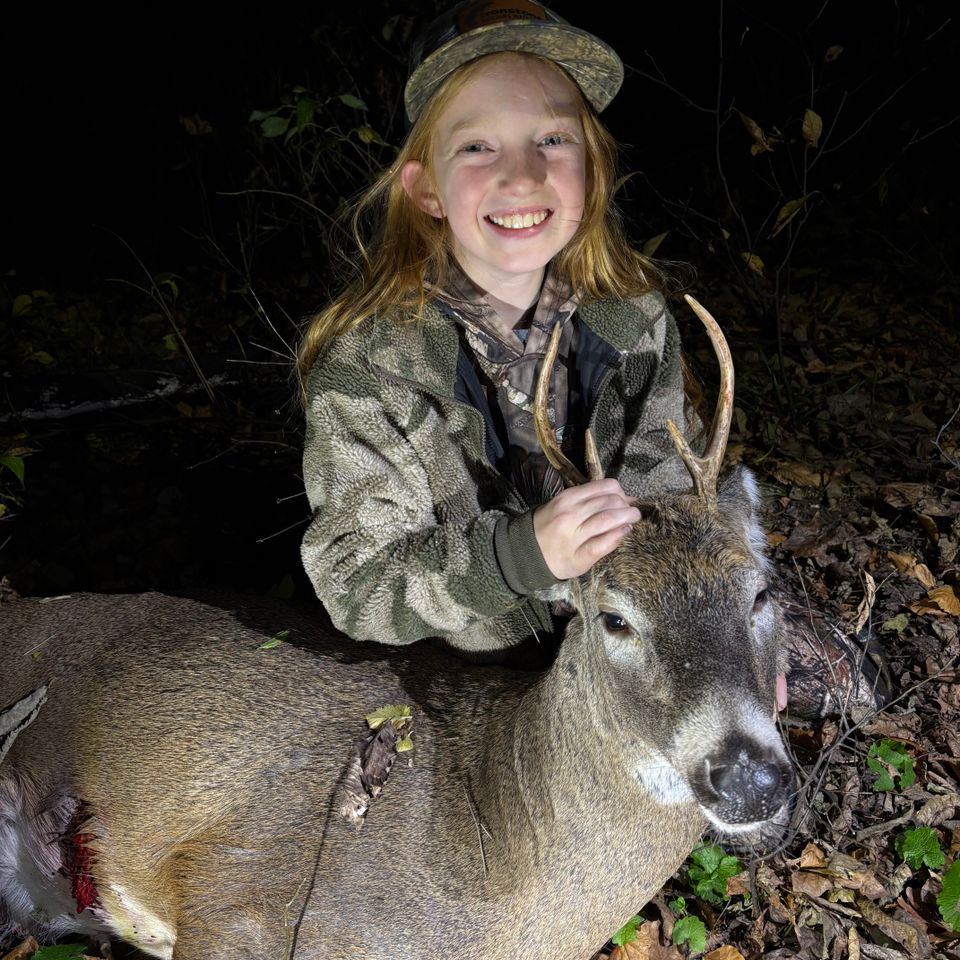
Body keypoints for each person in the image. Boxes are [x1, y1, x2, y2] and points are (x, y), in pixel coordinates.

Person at [297, 0, 888, 715]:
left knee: (850, 680)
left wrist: (736, 645)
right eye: (478, 147)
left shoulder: (631, 321)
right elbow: (359, 585)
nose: (521, 175)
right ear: (426, 191)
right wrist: (521, 556)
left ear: (593, 170)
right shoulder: (370, 368)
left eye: (552, 139)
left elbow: (670, 499)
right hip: (471, 664)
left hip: (623, 624)